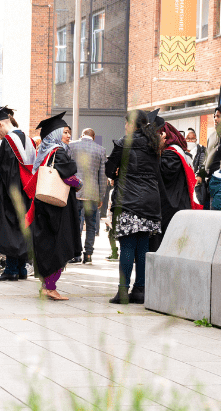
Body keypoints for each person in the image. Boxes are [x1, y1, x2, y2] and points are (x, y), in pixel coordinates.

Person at [106, 109, 162, 304]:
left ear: (132, 124)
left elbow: (108, 169)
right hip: (150, 202)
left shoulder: (124, 143)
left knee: (127, 246)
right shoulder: (154, 144)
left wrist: (116, 175)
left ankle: (123, 291)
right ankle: (140, 290)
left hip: (128, 201)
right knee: (143, 246)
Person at [25, 113, 82, 301]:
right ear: (56, 135)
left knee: (47, 244)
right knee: (59, 244)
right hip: (57, 208)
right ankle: (50, 287)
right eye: (64, 132)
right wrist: (79, 183)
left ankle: (46, 285)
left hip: (44, 205)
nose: (68, 136)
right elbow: (69, 177)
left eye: (69, 132)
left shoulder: (44, 151)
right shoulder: (59, 152)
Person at [0, 106, 35, 281]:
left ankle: (11, 269)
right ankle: (22, 269)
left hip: (11, 192)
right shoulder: (28, 139)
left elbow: (8, 170)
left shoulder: (9, 141)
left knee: (10, 230)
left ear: (0, 124)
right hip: (27, 191)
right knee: (22, 229)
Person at [150, 117, 197, 252]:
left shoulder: (172, 154)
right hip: (175, 207)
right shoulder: (173, 153)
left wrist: (156, 150)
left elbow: (162, 174)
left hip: (173, 208)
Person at [69, 127, 108, 264]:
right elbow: (102, 176)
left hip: (74, 191)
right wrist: (101, 196)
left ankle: (76, 254)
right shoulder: (101, 150)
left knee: (75, 223)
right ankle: (89, 255)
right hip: (92, 193)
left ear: (82, 135)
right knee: (91, 225)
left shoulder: (71, 146)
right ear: (94, 136)